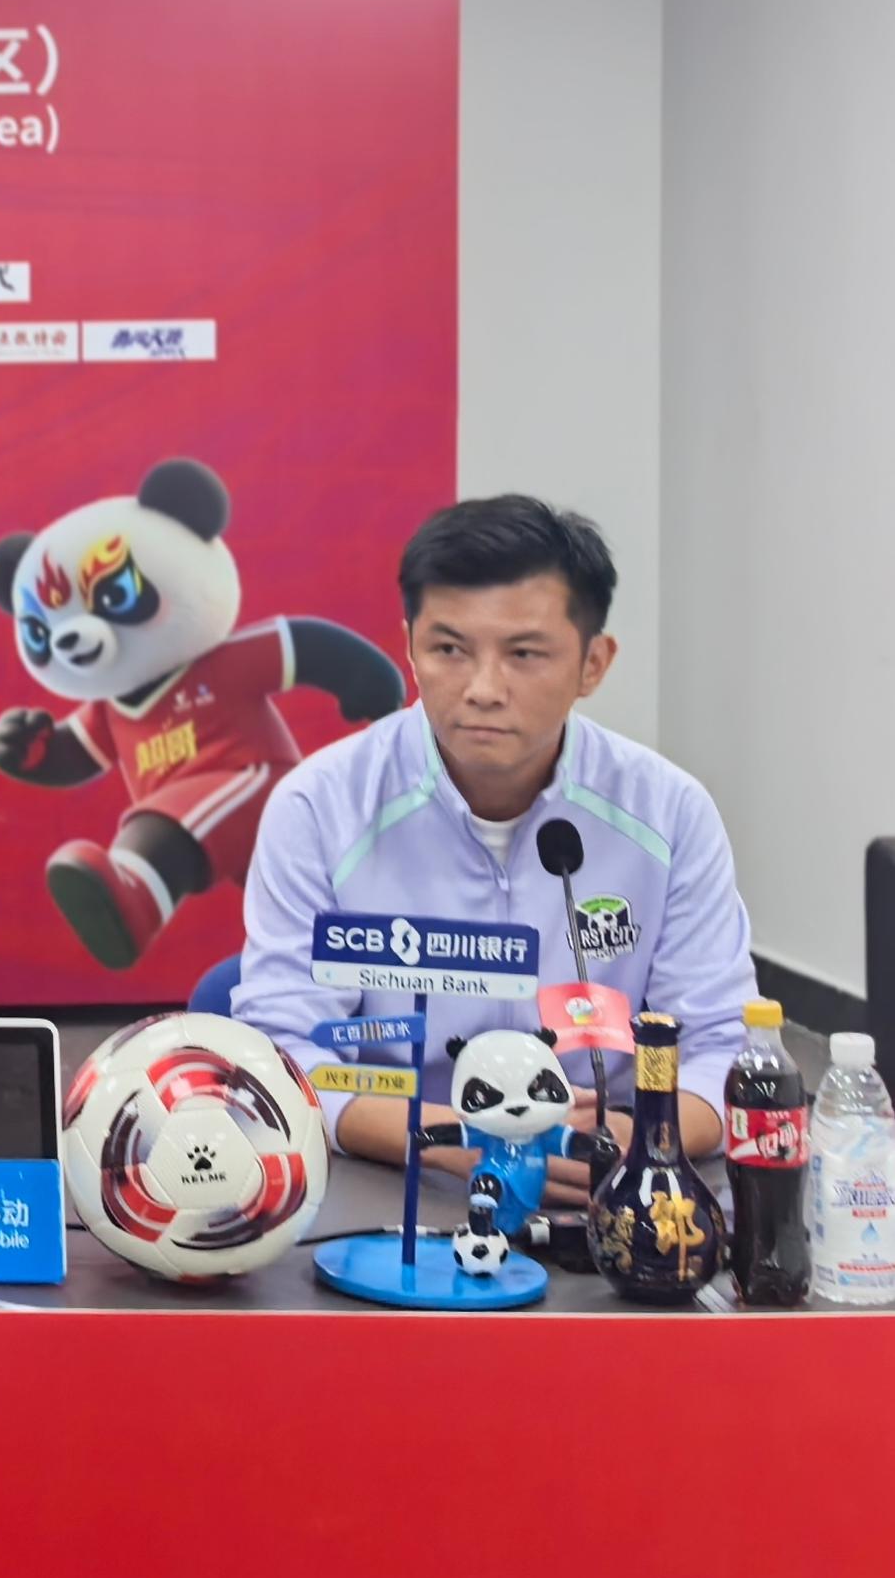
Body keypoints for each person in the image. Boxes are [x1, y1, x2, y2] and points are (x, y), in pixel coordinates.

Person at [234, 495, 755, 1213]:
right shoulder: (320, 808)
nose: (482, 690)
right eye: (448, 649)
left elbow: (724, 1049)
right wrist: (445, 1137)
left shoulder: (668, 814)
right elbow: (279, 1053)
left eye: (524, 654)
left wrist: (640, 1139)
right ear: (409, 646)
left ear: (592, 663)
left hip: (610, 1184)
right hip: (389, 1184)